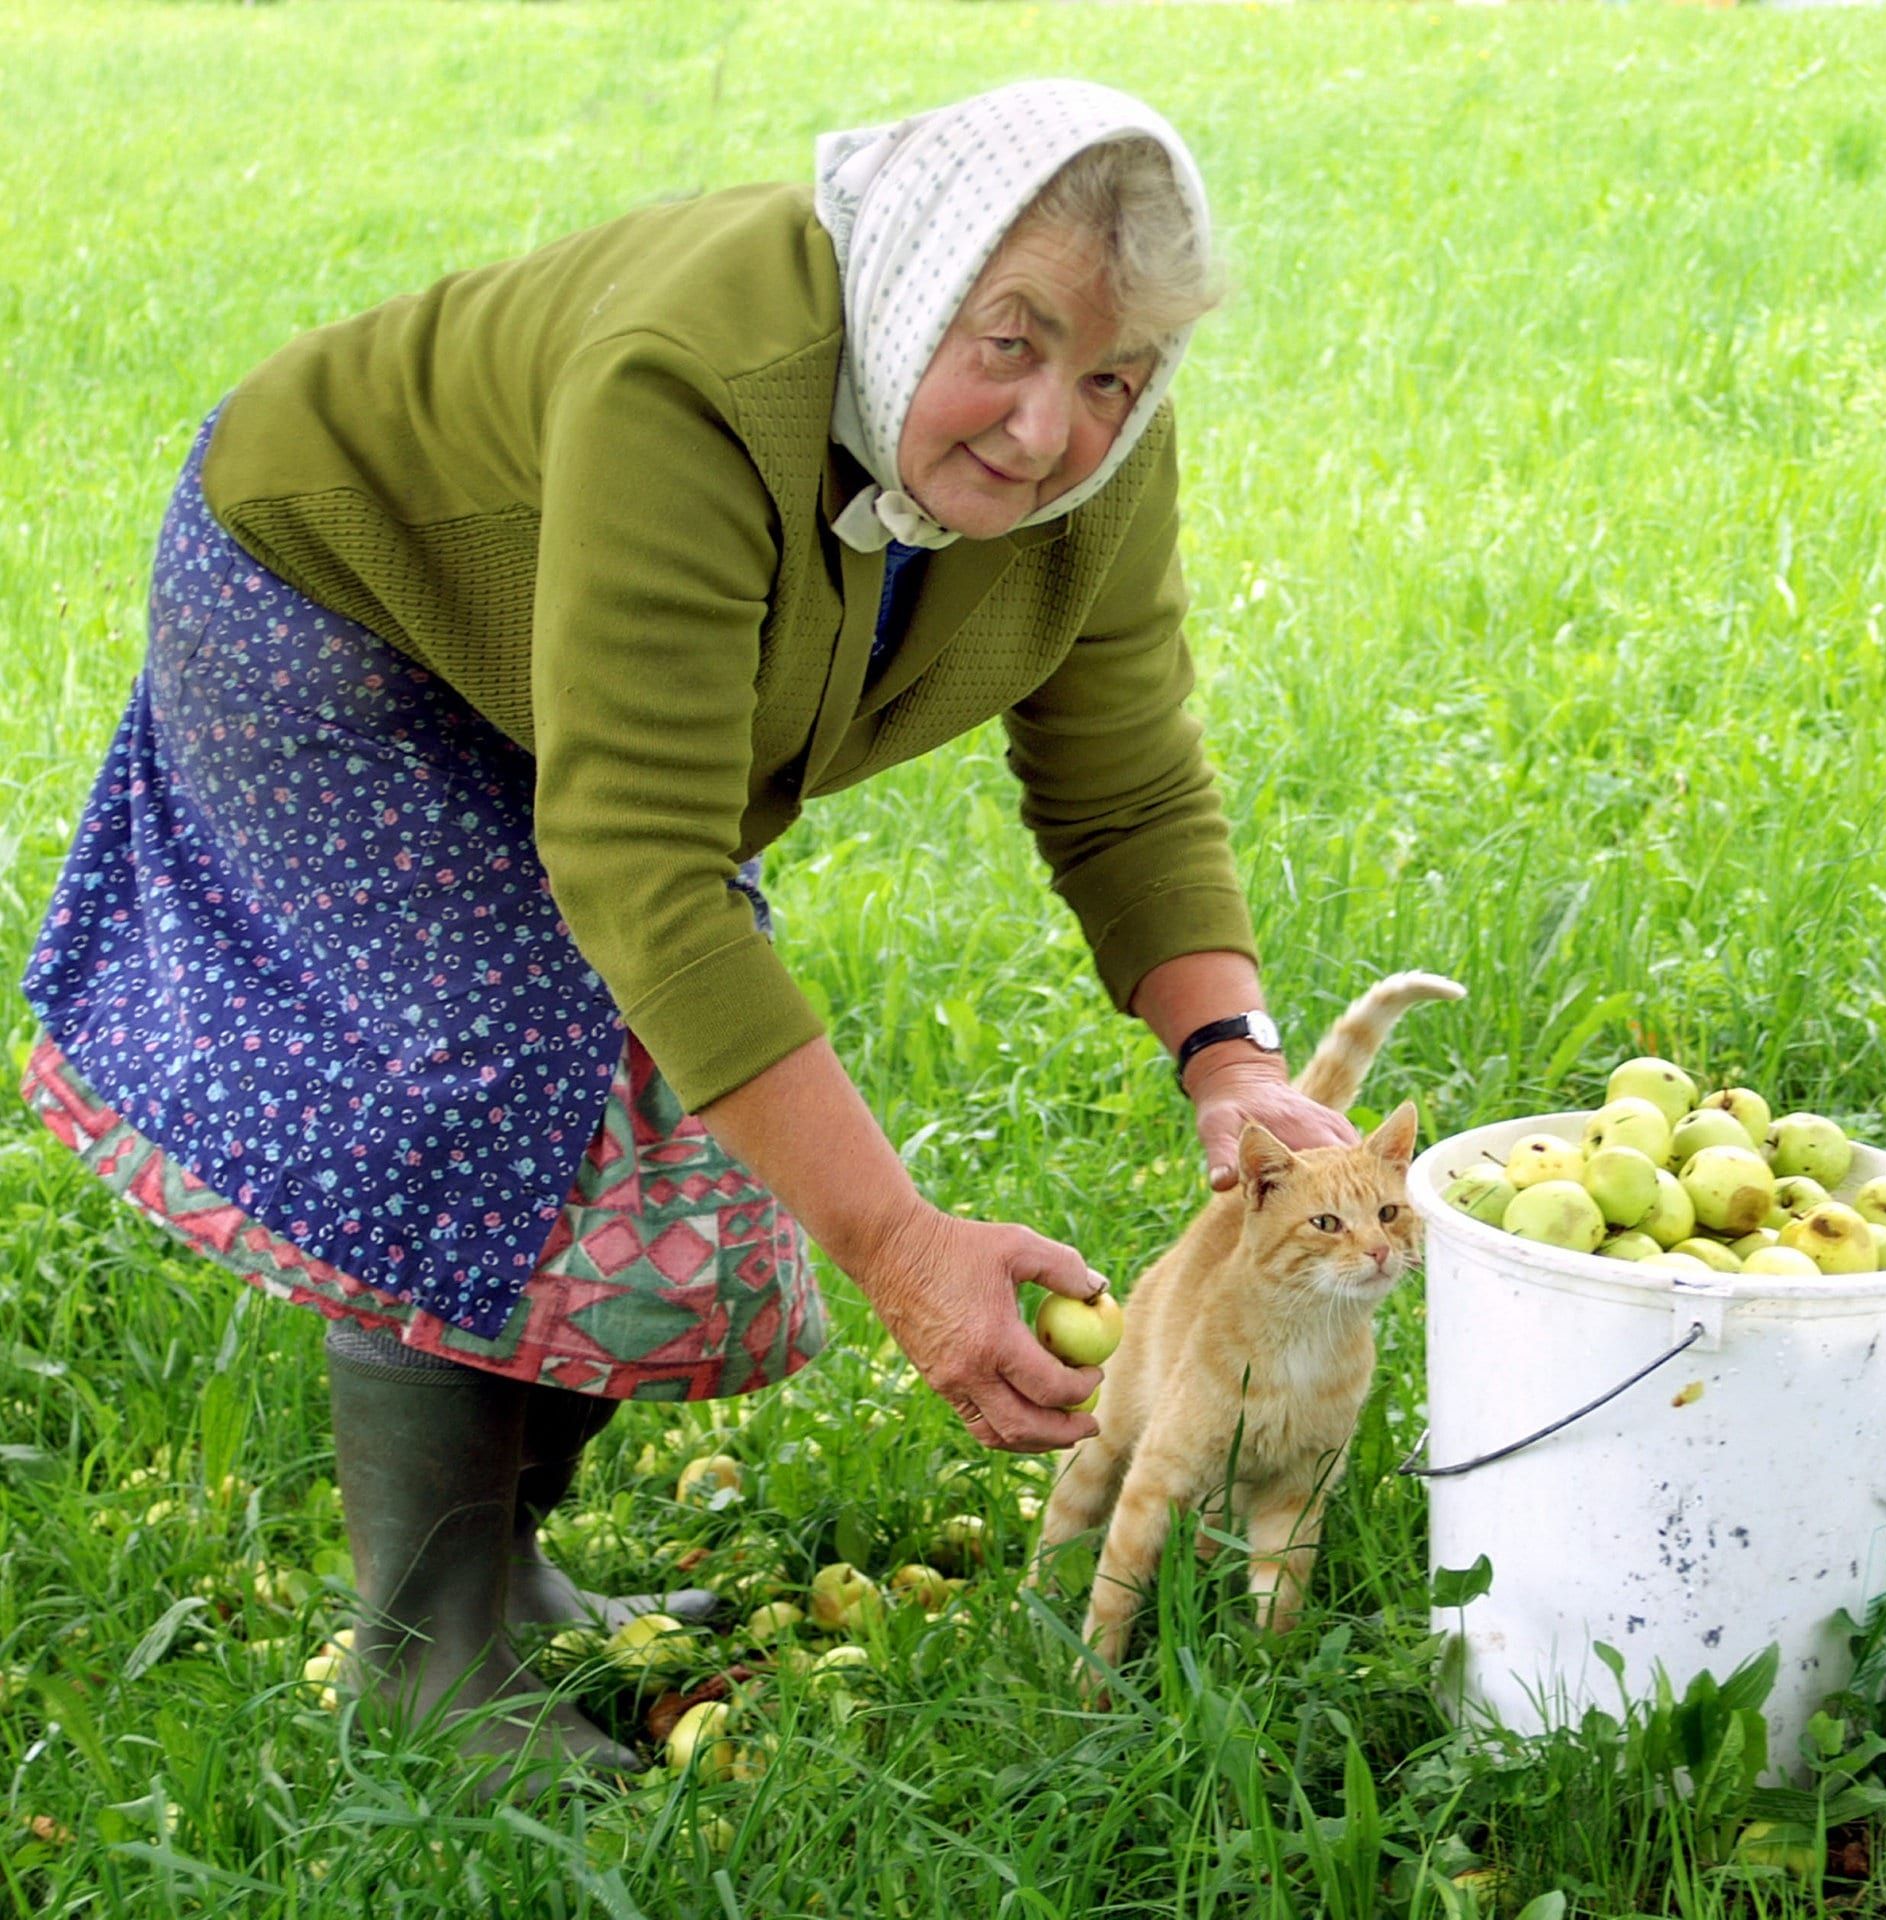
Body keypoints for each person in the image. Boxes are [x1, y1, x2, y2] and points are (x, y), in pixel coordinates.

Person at [21, 78, 1355, 1780]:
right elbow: (645, 867)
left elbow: (1127, 776)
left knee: (630, 1074)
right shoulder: (701, 381)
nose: (1045, 430)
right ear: (915, 278)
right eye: (1005, 343)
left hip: (544, 676)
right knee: (492, 1088)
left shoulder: (1103, 459)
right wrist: (906, 1257)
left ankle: (502, 1578)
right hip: (341, 602)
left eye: (1105, 376)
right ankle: (429, 1666)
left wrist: (1226, 1052)